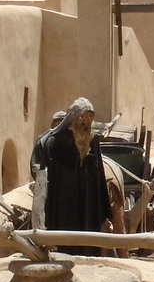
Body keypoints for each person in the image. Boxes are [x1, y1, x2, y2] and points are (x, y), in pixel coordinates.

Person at [31, 97, 111, 255]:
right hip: (64, 208)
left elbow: (100, 175)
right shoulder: (53, 143)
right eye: (81, 117)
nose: (85, 122)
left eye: (90, 117)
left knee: (89, 248)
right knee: (65, 248)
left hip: (89, 205)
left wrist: (105, 213)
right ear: (72, 118)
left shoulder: (93, 141)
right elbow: (43, 181)